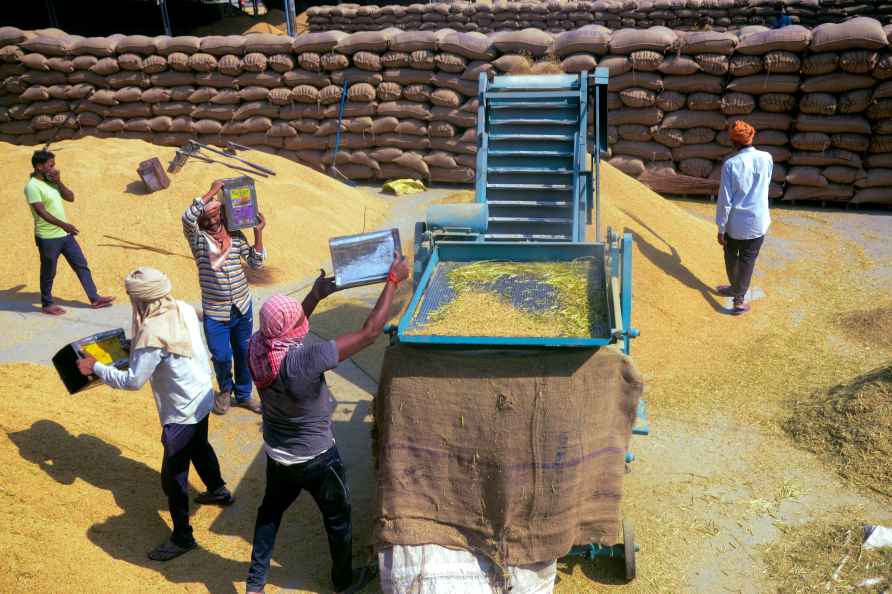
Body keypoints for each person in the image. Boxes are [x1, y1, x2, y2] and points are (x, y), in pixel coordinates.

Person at [245, 254, 409, 594]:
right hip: (318, 459)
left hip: (278, 455)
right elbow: (369, 333)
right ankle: (343, 580)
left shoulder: (257, 348)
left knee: (270, 513)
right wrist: (393, 280)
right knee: (338, 518)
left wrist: (317, 295)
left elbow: (285, 329)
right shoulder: (304, 360)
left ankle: (255, 583)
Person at [76, 267, 234, 561]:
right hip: (201, 396)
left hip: (179, 413)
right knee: (200, 446)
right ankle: (219, 490)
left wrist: (94, 368)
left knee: (174, 477)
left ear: (140, 300)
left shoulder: (151, 331)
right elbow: (164, 349)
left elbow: (133, 381)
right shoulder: (183, 308)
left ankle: (182, 537)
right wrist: (133, 349)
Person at [182, 180, 267, 415]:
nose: (211, 222)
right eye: (205, 219)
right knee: (221, 355)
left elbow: (256, 263)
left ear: (222, 213)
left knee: (243, 352)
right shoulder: (198, 239)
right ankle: (225, 391)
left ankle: (244, 394)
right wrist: (211, 191)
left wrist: (258, 233)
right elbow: (187, 217)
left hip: (241, 307)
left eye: (215, 216)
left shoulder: (236, 236)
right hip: (215, 310)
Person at [25, 149, 114, 315]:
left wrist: (59, 182)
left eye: (54, 165)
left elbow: (70, 197)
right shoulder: (32, 186)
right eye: (50, 165)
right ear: (39, 166)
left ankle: (95, 298)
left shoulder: (50, 181)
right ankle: (47, 304)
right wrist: (63, 225)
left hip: (65, 236)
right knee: (48, 271)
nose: (54, 168)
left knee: (81, 265)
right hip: (48, 238)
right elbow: (41, 211)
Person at [716, 120, 773, 315]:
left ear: (734, 143)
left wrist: (721, 227)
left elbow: (725, 200)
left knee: (731, 255)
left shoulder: (731, 164)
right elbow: (766, 183)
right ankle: (736, 292)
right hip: (758, 220)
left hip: (736, 223)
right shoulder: (767, 158)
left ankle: (738, 298)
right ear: (751, 137)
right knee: (748, 259)